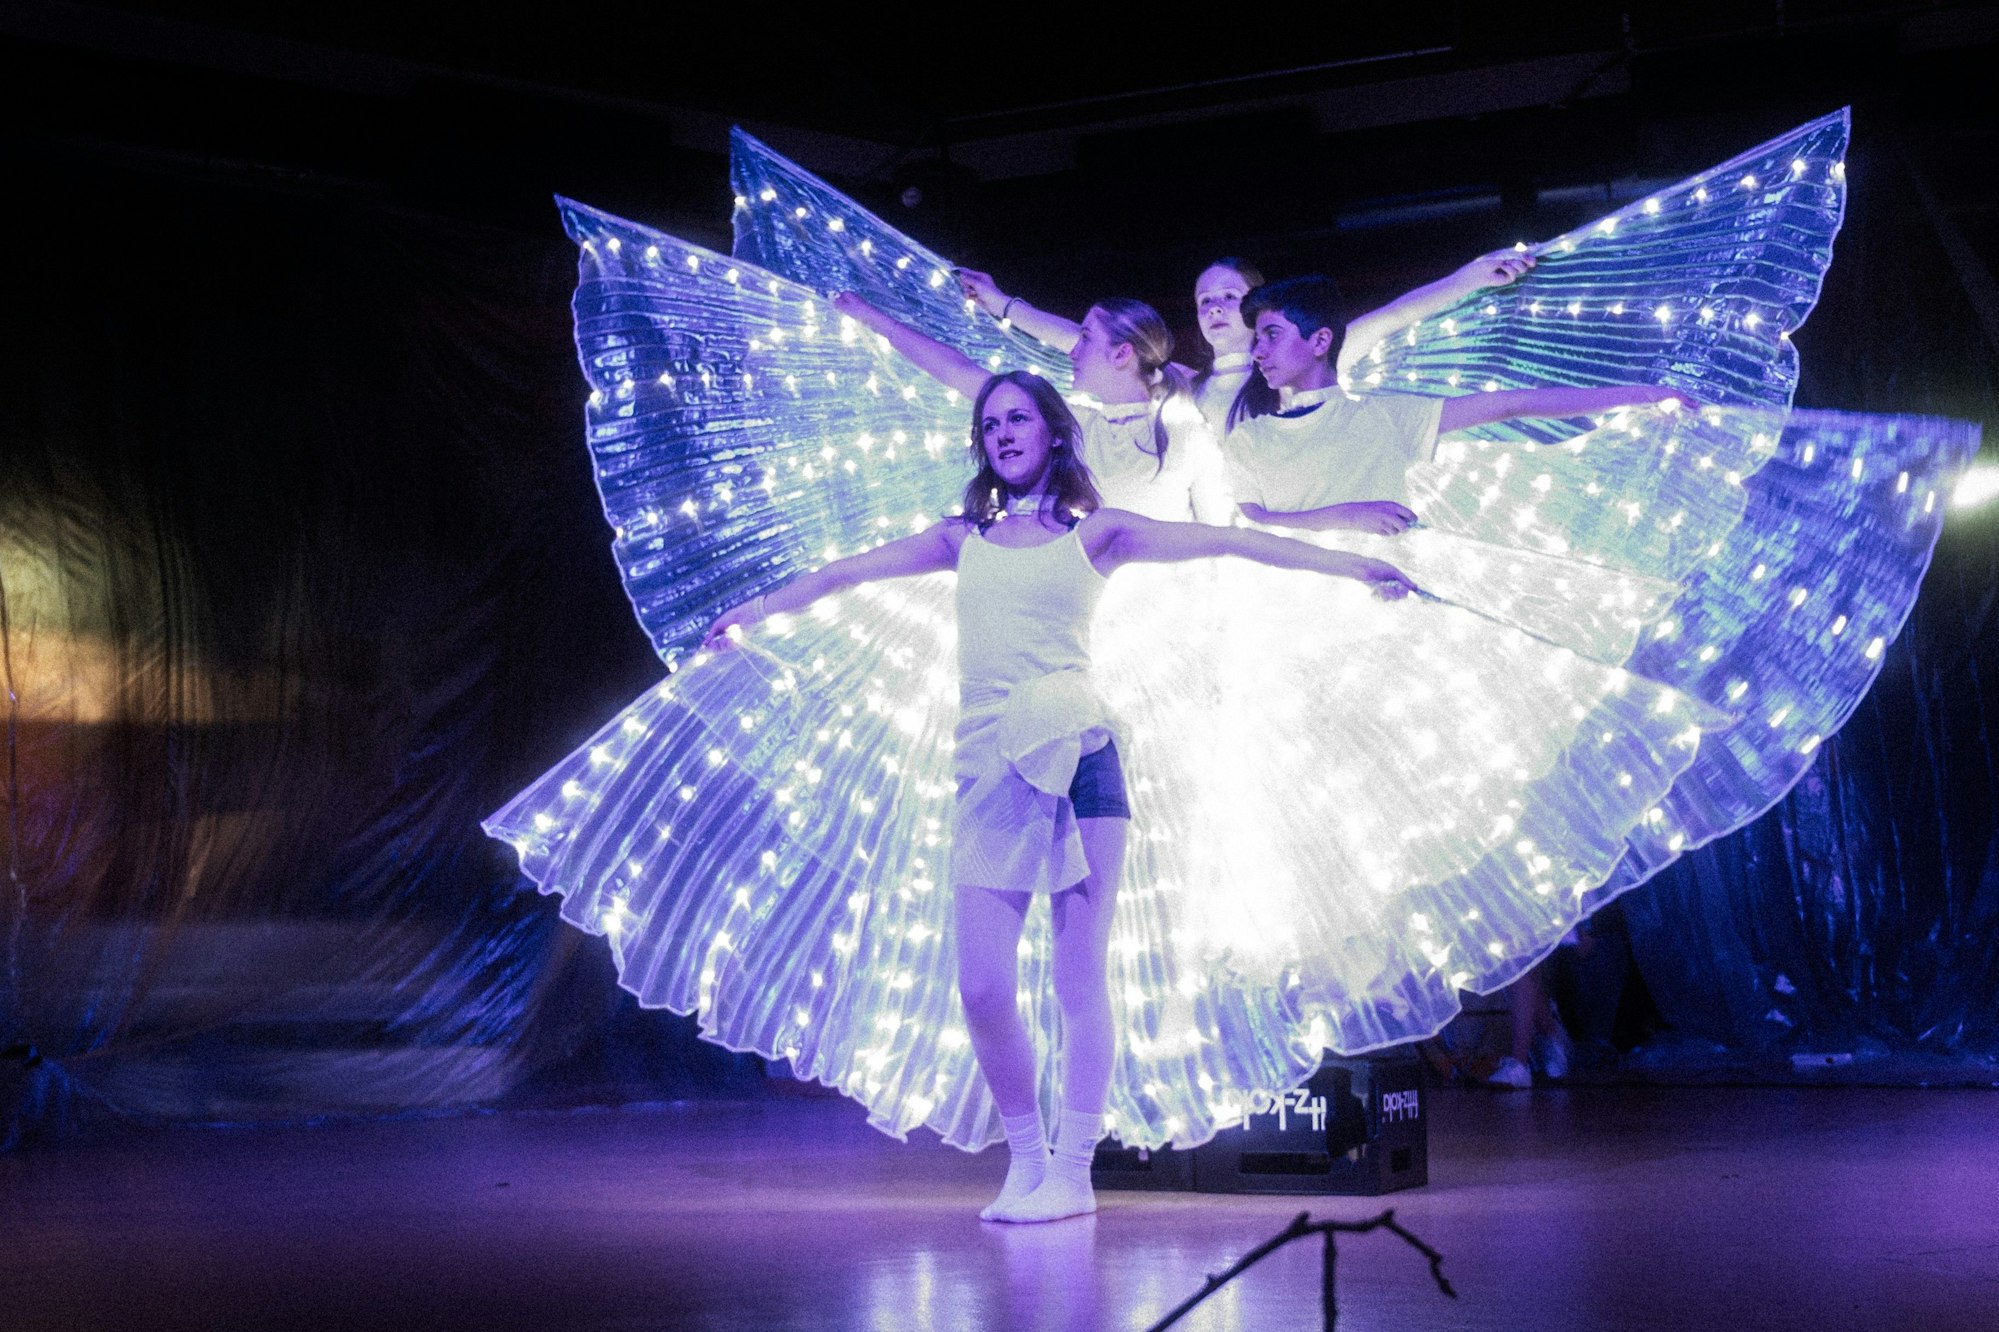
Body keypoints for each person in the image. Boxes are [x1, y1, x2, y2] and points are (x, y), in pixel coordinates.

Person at [701, 369, 1416, 1223]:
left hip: (1080, 757)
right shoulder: (958, 540)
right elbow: (845, 573)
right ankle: (1028, 1157)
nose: (1003, 434)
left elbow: (1233, 545)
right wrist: (749, 610)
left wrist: (1351, 565)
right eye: (990, 423)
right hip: (990, 766)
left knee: (1079, 978)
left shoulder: (1098, 533)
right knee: (980, 986)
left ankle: (1072, 1171)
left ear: (1052, 433)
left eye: (1018, 419)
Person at [1222, 274, 1692, 534]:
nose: (1258, 350)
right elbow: (1255, 522)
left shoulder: (1385, 418)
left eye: (1272, 335)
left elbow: (1515, 404)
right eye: (1257, 338)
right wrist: (1346, 514)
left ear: (1320, 340)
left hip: (1387, 604)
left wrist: (1642, 395)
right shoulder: (1250, 439)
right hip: (1290, 620)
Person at [969, 251, 1536, 441]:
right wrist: (1003, 305)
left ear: (1255, 303)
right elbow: (1089, 341)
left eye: (1227, 296)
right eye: (1203, 301)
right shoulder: (1184, 382)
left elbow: (1391, 317)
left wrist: (1469, 277)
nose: (1214, 308)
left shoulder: (1303, 366)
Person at [941, 279, 1232, 523]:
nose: (1073, 350)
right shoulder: (1078, 424)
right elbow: (965, 375)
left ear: (1121, 354)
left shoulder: (1186, 432)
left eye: (1085, 338)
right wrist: (892, 326)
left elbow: (1219, 534)